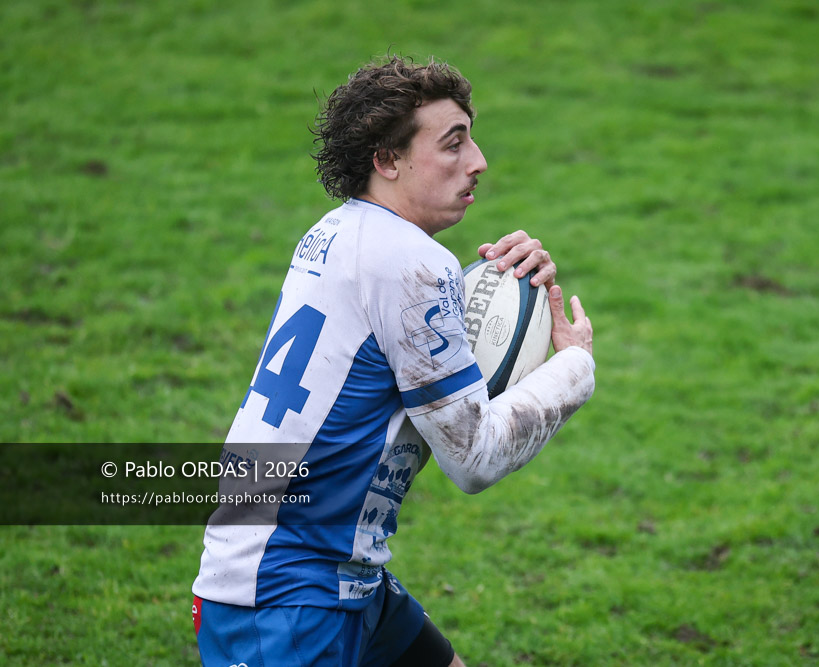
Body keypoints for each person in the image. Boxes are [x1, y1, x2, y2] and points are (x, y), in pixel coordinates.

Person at [192, 56, 595, 667]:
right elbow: (474, 456)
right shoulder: (409, 263)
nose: (478, 160)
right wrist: (573, 368)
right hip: (287, 597)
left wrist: (507, 289)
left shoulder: (337, 232)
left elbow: (394, 364)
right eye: (453, 143)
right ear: (386, 160)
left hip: (333, 570)